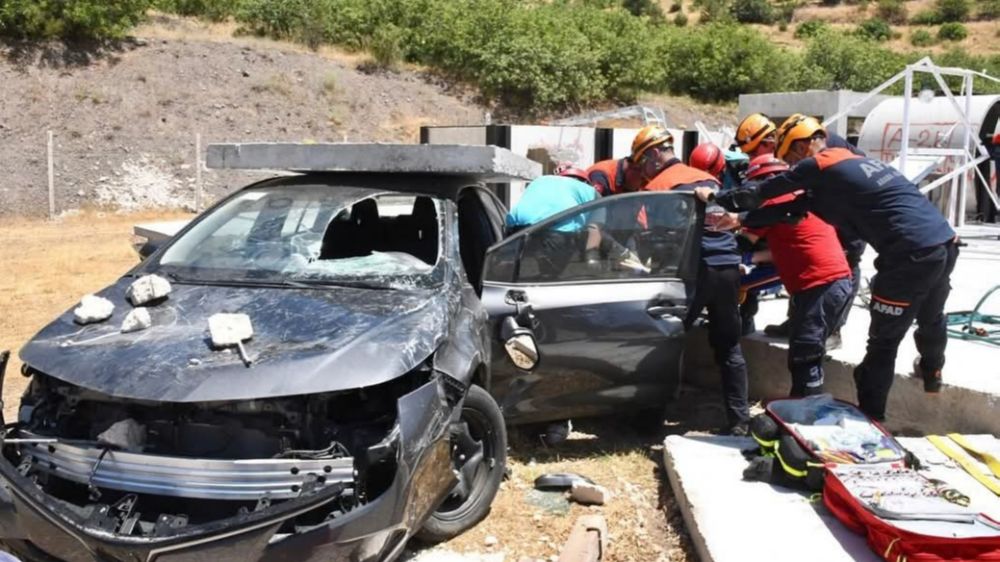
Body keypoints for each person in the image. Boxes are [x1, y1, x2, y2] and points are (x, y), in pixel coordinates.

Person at [698, 115, 959, 422]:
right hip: (945, 241)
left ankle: (873, 423)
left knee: (882, 345)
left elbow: (763, 193)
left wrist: (717, 197)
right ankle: (932, 372)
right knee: (931, 316)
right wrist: (742, 221)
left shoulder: (819, 164)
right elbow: (793, 210)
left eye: (791, 156)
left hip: (908, 258)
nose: (793, 165)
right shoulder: (852, 164)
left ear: (804, 143)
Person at [631, 125, 750, 435]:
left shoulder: (657, 186)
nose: (642, 170)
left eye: (642, 161)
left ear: (656, 154)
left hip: (692, 271)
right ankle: (739, 421)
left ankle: (648, 421)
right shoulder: (708, 178)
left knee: (664, 343)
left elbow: (654, 240)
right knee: (729, 347)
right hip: (727, 265)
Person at [738, 155, 854, 397]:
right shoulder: (802, 201)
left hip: (820, 286)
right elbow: (788, 246)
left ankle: (805, 420)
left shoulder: (773, 202)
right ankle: (803, 411)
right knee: (806, 354)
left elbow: (742, 243)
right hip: (834, 284)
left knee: (805, 358)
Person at [689, 142, 779, 335]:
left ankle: (742, 319)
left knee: (736, 267)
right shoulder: (784, 197)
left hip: (783, 257)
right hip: (763, 239)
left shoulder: (768, 199)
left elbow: (748, 240)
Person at [505, 168, 603, 278]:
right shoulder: (591, 192)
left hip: (517, 224)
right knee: (549, 277)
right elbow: (594, 229)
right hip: (559, 229)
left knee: (509, 271)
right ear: (586, 182)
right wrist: (592, 257)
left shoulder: (541, 180)